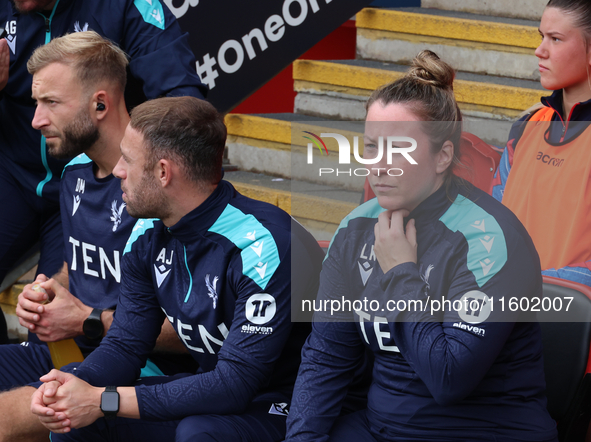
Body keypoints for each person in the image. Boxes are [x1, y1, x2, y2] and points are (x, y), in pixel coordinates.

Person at [285, 50, 558, 442]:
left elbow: (448, 377)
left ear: (443, 156)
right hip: (381, 428)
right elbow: (326, 357)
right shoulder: (356, 228)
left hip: (479, 432)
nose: (379, 165)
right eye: (372, 147)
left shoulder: (489, 239)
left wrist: (400, 273)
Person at [30, 95, 324, 442]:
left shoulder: (264, 245)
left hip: (293, 402)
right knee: (77, 419)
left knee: (198, 433)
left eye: (128, 159)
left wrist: (103, 399)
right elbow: (126, 343)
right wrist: (77, 385)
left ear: (164, 172)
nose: (118, 171)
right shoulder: (147, 230)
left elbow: (235, 383)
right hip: (219, 394)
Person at [0, 31, 192, 442]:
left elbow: (198, 326)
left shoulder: (163, 186)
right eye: (36, 103)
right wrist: (50, 289)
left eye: (50, 102)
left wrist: (87, 321)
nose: (36, 120)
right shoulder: (73, 174)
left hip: (145, 376)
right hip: (75, 356)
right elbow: (83, 263)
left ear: (100, 103)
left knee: (6, 420)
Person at [0, 0, 207, 339]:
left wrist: (140, 166)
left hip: (101, 177)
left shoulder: (124, 5)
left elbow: (185, 105)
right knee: (41, 309)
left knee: (51, 325)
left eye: (50, 103)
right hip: (14, 174)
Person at [491, 0, 591, 285]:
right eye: (541, 37)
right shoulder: (527, 125)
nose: (540, 51)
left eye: (556, 39)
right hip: (506, 313)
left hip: (567, 318)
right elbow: (492, 224)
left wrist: (534, 286)